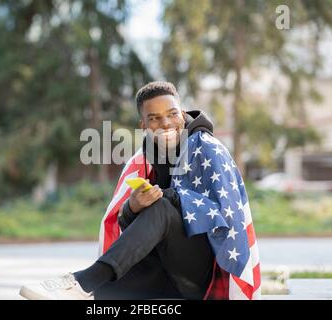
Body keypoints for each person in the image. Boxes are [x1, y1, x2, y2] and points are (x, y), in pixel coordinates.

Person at [20, 81, 261, 300]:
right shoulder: (144, 158)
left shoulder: (209, 149)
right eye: (154, 118)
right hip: (162, 270)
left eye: (172, 114)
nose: (165, 123)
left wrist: (169, 196)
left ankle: (81, 282)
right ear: (143, 124)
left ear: (183, 114)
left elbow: (226, 217)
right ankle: (88, 289)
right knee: (107, 296)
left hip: (202, 269)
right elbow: (137, 227)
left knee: (162, 207)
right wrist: (132, 207)